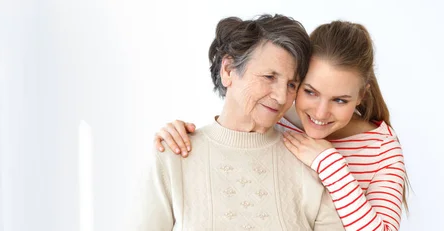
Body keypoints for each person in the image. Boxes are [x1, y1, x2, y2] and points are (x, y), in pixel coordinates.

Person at [154, 20, 407, 231]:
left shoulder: (382, 151)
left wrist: (330, 164)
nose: (320, 113)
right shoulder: (278, 118)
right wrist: (179, 134)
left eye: (340, 100)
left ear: (362, 95)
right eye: (309, 91)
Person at [131, 14, 345, 230]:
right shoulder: (173, 155)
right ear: (228, 70)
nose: (281, 97)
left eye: (291, 85)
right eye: (269, 77)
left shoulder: (309, 162)